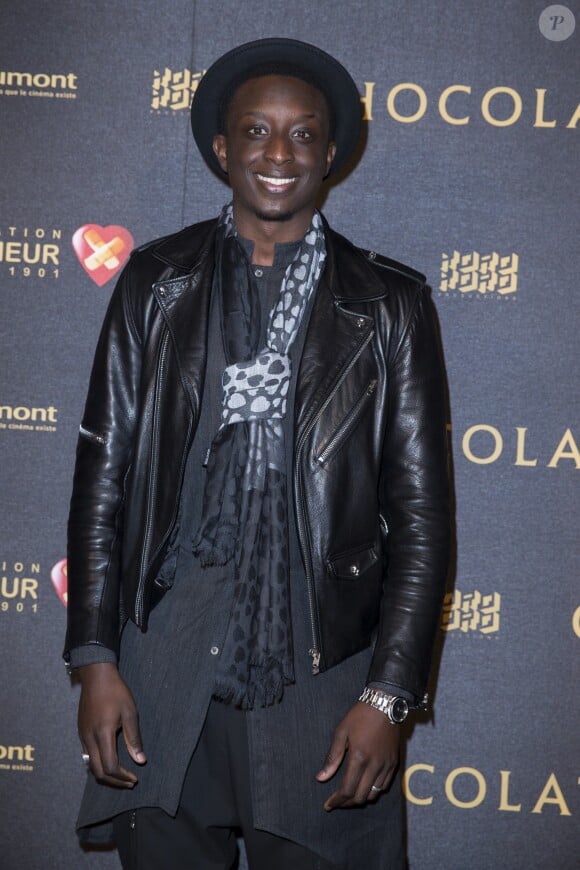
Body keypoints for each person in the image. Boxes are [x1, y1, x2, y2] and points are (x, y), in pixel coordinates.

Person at [64, 37, 450, 870]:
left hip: (321, 685)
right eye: (256, 131)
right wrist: (95, 658)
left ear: (332, 152)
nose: (279, 154)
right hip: (161, 682)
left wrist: (389, 695)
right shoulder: (154, 283)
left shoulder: (391, 304)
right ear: (222, 148)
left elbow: (419, 521)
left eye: (304, 134)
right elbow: (105, 477)